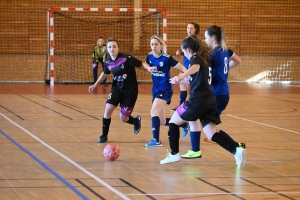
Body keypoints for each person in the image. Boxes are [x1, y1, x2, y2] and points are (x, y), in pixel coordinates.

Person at [160, 34, 246, 169]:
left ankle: (174, 153)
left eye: (184, 52)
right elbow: (198, 78)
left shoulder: (196, 59)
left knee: (173, 122)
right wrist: (180, 80)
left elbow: (195, 68)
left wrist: (181, 75)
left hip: (197, 102)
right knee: (212, 133)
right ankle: (236, 150)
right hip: (210, 101)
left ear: (188, 50)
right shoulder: (205, 59)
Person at [180, 25, 244, 159]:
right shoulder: (226, 50)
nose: (204, 39)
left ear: (213, 38)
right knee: (208, 129)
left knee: (205, 127)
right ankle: (234, 147)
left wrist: (182, 79)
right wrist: (223, 71)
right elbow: (238, 61)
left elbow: (202, 73)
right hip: (224, 93)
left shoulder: (212, 54)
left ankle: (235, 147)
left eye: (205, 37)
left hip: (214, 93)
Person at [88, 37, 143, 143]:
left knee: (123, 119)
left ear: (118, 48)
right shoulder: (107, 62)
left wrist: (150, 68)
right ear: (107, 49)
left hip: (130, 91)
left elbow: (141, 64)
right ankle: (104, 135)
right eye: (109, 47)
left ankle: (136, 121)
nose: (112, 49)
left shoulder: (127, 58)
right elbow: (105, 73)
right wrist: (95, 85)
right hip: (116, 89)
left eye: (114, 46)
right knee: (108, 110)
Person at [143, 35, 189, 147]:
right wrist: (148, 67)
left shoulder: (167, 58)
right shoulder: (150, 56)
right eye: (152, 44)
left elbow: (183, 68)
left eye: (156, 44)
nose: (154, 46)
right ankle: (183, 124)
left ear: (161, 45)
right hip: (155, 90)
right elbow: (144, 63)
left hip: (165, 89)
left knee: (153, 112)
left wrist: (184, 76)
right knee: (162, 121)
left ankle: (156, 140)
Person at [170, 22, 200, 117]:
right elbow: (188, 54)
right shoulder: (186, 40)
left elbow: (196, 54)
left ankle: (193, 106)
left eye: (191, 28)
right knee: (182, 85)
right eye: (188, 28)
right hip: (186, 67)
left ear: (195, 29)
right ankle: (181, 106)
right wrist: (181, 53)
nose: (189, 30)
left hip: (193, 68)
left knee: (192, 88)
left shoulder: (196, 41)